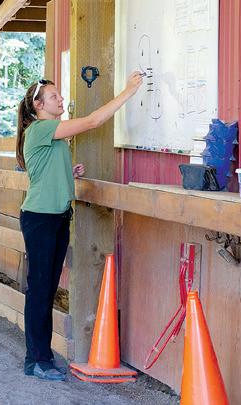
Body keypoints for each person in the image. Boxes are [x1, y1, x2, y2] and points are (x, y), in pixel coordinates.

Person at [16, 72, 143, 381]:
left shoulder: (51, 134)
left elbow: (44, 171)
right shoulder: (41, 128)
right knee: (40, 291)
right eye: (54, 96)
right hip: (41, 218)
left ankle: (41, 357)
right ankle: (37, 360)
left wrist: (67, 172)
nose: (61, 99)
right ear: (39, 105)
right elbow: (92, 122)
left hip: (57, 217)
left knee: (46, 290)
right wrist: (129, 90)